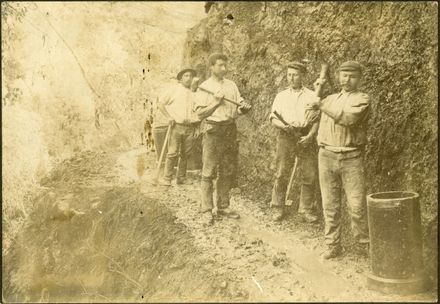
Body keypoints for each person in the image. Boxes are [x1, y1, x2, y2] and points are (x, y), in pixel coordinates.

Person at [308, 61, 370, 259]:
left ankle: (363, 246)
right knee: (330, 205)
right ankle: (333, 245)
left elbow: (348, 119)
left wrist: (321, 104)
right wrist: (316, 95)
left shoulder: (362, 99)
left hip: (351, 157)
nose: (347, 80)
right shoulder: (330, 98)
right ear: (338, 77)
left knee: (356, 206)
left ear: (359, 79)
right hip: (326, 155)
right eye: (343, 75)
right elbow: (309, 115)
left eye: (352, 76)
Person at [194, 53, 251, 225]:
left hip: (229, 129)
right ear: (211, 66)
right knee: (208, 171)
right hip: (213, 130)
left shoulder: (231, 85)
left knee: (227, 170)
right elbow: (200, 114)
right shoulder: (204, 87)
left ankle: (223, 206)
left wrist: (244, 108)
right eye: (220, 65)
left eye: (225, 65)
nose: (224, 69)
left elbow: (236, 110)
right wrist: (215, 103)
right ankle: (206, 209)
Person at [269, 61, 320, 223]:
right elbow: (273, 118)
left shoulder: (312, 95)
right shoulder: (281, 96)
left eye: (295, 74)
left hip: (305, 136)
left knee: (309, 173)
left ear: (302, 76)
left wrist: (310, 136)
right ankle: (277, 207)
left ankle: (306, 209)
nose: (291, 78)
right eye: (289, 74)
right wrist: (284, 126)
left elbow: (317, 119)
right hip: (286, 135)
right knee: (282, 171)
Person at [158, 68, 200, 186]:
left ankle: (181, 178)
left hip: (190, 128)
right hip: (176, 126)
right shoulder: (174, 90)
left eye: (191, 76)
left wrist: (196, 128)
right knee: (172, 153)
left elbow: (196, 112)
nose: (188, 78)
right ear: (181, 79)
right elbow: (160, 103)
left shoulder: (194, 93)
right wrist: (168, 117)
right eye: (186, 76)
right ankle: (167, 178)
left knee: (186, 154)